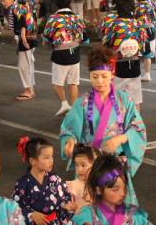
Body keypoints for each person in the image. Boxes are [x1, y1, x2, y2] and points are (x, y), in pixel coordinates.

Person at [60, 46, 147, 205]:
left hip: (114, 164)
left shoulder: (124, 100)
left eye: (104, 76)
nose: (99, 81)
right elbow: (69, 129)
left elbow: (138, 127)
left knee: (115, 206)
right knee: (88, 208)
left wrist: (121, 138)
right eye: (95, 76)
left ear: (112, 74)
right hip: (89, 164)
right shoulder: (82, 103)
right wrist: (70, 141)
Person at [43, 0, 84, 117]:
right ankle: (74, 109)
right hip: (75, 53)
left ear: (57, 3)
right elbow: (84, 36)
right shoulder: (76, 17)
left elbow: (47, 36)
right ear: (69, 3)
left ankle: (64, 103)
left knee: (57, 83)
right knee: (73, 83)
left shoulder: (54, 18)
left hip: (60, 54)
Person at [0, 0, 37, 101]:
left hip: (25, 38)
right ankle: (31, 90)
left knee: (24, 66)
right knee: (28, 65)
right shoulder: (29, 8)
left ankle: (28, 91)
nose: (2, 2)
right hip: (32, 37)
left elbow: (22, 24)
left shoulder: (17, 8)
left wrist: (23, 38)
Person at [135, 0, 156, 82]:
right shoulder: (152, 3)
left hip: (141, 31)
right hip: (151, 30)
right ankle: (147, 74)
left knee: (136, 53)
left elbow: (135, 18)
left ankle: (137, 74)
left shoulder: (138, 4)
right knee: (147, 53)